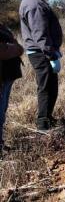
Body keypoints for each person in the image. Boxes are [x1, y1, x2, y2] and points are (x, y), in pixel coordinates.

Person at [19, 0, 63, 131]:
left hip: (42, 52)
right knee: (46, 88)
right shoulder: (34, 5)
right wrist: (51, 55)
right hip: (41, 53)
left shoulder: (35, 0)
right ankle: (43, 126)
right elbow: (40, 35)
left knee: (51, 87)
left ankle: (48, 119)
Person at [0, 25, 23, 154]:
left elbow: (19, 47)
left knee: (2, 111)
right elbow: (4, 51)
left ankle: (0, 143)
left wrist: (14, 47)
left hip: (7, 77)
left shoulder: (3, 27)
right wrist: (14, 48)